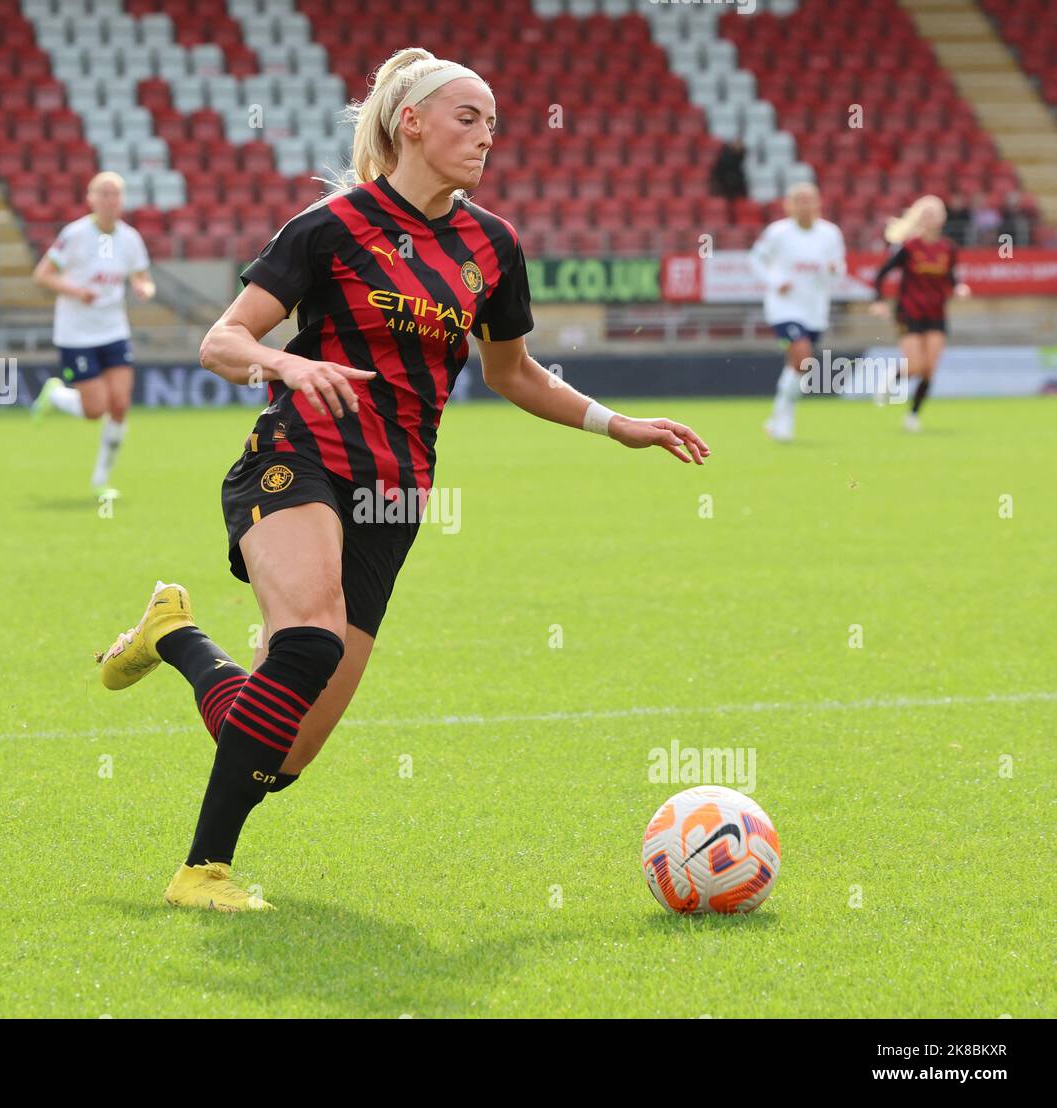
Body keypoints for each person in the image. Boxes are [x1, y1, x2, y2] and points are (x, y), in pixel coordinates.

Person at [93, 47, 710, 913]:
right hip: (296, 454)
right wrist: (286, 364)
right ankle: (201, 873)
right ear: (409, 122)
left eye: (494, 123)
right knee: (306, 641)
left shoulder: (493, 246)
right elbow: (221, 342)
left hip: (396, 494)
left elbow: (514, 372)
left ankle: (176, 636)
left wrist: (619, 426)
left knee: (282, 755)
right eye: (469, 117)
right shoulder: (331, 227)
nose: (486, 136)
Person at [30, 171, 156, 500]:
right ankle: (56, 395)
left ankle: (101, 481)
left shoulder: (130, 238)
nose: (110, 201)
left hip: (114, 331)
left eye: (116, 195)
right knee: (94, 409)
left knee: (120, 402)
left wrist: (143, 288)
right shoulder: (74, 235)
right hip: (76, 335)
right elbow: (42, 275)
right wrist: (76, 291)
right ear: (91, 199)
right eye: (104, 194)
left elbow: (142, 277)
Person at [749, 182, 847, 442]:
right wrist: (774, 283)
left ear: (818, 203)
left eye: (809, 199)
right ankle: (784, 417)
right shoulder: (778, 232)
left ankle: (779, 415)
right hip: (784, 308)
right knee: (803, 357)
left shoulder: (830, 234)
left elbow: (840, 269)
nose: (804, 205)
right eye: (799, 200)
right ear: (789, 205)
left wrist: (834, 270)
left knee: (798, 365)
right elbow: (756, 259)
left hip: (814, 309)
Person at [870, 194, 971, 431]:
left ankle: (913, 416)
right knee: (914, 366)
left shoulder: (948, 248)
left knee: (929, 369)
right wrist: (878, 300)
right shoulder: (909, 247)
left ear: (942, 218)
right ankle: (892, 379)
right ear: (918, 218)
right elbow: (881, 273)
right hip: (910, 310)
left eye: (934, 213)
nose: (930, 218)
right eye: (925, 214)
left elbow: (951, 277)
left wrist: (959, 288)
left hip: (936, 313)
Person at [710, 139, 747, 206]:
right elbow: (719, 175)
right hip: (725, 191)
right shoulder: (725, 160)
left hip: (738, 192)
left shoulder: (743, 160)